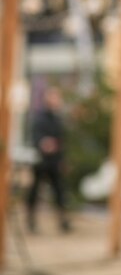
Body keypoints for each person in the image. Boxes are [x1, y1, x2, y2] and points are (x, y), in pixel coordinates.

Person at [26, 86, 71, 233]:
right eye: (53, 97)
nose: (56, 100)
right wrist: (43, 143)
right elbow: (35, 138)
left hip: (54, 162)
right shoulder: (39, 118)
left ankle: (63, 221)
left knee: (59, 191)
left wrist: (62, 159)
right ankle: (31, 221)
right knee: (35, 191)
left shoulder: (58, 119)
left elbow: (61, 141)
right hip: (41, 161)